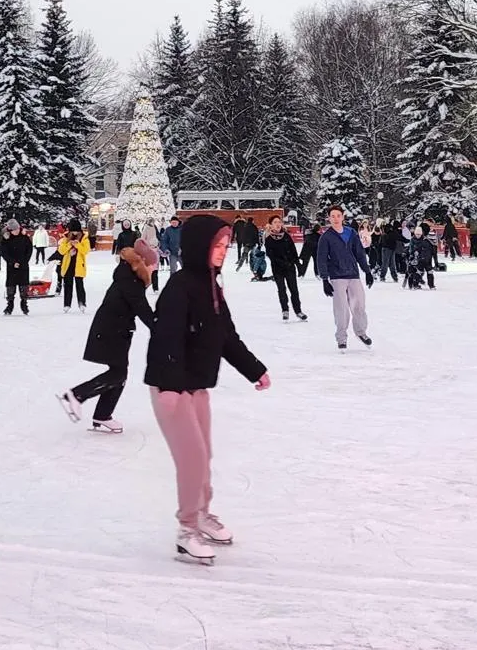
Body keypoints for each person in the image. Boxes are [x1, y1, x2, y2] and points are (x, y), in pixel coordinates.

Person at [145, 214, 271, 565]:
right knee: (193, 459)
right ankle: (187, 530)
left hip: (197, 385)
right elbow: (164, 338)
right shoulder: (179, 287)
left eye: (226, 245)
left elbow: (225, 336)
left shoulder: (212, 286)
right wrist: (169, 386)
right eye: (217, 245)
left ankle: (201, 513)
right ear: (200, 246)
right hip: (172, 389)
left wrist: (254, 370)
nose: (224, 251)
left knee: (204, 456)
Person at [57, 244, 159, 433]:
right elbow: (141, 308)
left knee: (119, 374)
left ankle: (103, 415)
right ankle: (76, 396)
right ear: (142, 263)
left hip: (115, 329)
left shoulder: (129, 276)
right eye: (153, 266)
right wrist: (160, 329)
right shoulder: (130, 281)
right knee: (118, 374)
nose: (155, 270)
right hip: (111, 330)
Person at [315, 204, 374, 350]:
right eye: (332, 216)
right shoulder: (326, 237)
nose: (335, 219)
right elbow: (321, 258)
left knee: (359, 305)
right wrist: (324, 279)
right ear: (328, 218)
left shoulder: (351, 232)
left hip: (353, 274)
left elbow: (359, 253)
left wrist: (367, 271)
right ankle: (341, 338)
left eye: (338, 216)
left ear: (343, 217)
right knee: (341, 308)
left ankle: (361, 332)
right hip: (337, 276)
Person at [263, 216, 306, 321]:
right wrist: (282, 263)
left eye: (279, 222)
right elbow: (271, 255)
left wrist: (297, 264)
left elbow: (293, 250)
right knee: (282, 289)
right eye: (275, 222)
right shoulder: (269, 239)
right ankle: (285, 310)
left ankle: (298, 311)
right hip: (278, 268)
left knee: (294, 290)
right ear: (271, 225)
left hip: (290, 267)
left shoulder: (286, 236)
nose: (278, 224)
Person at [58, 219, 91, 312]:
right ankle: (67, 304)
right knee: (68, 285)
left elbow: (86, 251)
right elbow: (61, 251)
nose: (75, 233)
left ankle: (82, 303)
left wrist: (78, 245)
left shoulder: (84, 238)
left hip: (79, 265)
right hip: (68, 265)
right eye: (73, 231)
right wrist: (69, 245)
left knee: (79, 285)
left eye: (76, 231)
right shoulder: (66, 237)